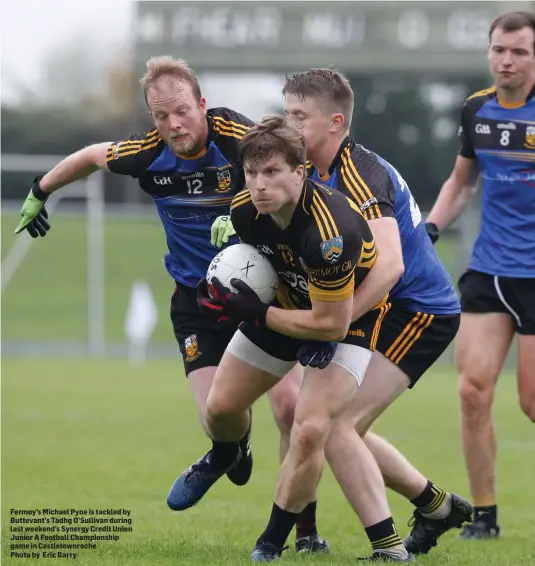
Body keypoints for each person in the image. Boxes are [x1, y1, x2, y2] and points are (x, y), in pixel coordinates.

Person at [13, 55, 326, 552]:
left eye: (181, 110)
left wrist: (242, 210)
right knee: (217, 416)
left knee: (291, 410)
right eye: (161, 116)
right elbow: (94, 155)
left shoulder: (237, 137)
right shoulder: (147, 154)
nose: (174, 124)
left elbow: (292, 168)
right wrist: (40, 189)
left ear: (201, 104)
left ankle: (305, 533)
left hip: (262, 296)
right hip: (197, 299)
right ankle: (229, 448)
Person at [172, 115, 418, 563]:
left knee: (308, 428)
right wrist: (227, 291)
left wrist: (257, 312)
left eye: (271, 173)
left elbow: (331, 326)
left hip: (346, 321)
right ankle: (229, 451)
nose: (259, 185)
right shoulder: (246, 210)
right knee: (221, 408)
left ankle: (270, 544)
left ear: (299, 172)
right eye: (251, 173)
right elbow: (258, 267)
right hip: (287, 306)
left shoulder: (328, 234)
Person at [424, 11, 535, 540]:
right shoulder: (477, 109)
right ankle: (485, 517)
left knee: (532, 402)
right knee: (472, 391)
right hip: (489, 270)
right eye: (499, 50)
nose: (507, 60)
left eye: (519, 51)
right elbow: (462, 182)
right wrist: (430, 228)